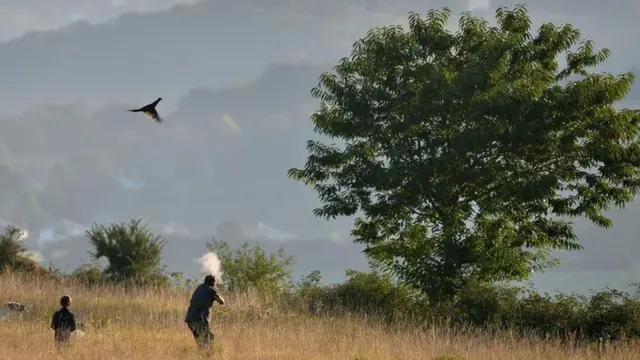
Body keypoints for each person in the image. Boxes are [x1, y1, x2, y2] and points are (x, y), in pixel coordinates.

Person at [184, 274, 225, 349]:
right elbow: (222, 302)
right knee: (210, 338)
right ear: (213, 282)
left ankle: (201, 356)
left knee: (200, 342)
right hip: (200, 320)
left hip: (190, 320)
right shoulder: (212, 291)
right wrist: (217, 290)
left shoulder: (199, 288)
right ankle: (209, 356)